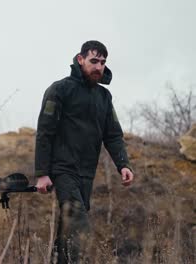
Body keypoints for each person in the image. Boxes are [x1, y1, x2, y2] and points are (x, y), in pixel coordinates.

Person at [34, 40, 134, 263]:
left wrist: (123, 164)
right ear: (80, 60)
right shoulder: (59, 90)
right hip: (62, 169)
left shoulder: (104, 98)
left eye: (102, 62)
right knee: (78, 222)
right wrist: (42, 173)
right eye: (93, 61)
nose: (99, 67)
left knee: (67, 234)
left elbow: (113, 135)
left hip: (86, 174)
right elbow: (44, 132)